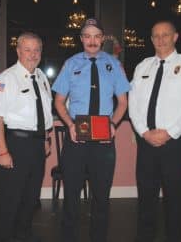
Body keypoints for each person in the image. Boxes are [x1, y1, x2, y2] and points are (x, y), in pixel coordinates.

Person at [52, 18, 130, 242]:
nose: (92, 41)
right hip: (76, 139)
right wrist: (70, 125)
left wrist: (113, 124)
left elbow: (123, 102)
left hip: (104, 140)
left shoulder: (114, 65)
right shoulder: (71, 64)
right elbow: (58, 101)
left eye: (97, 36)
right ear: (81, 39)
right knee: (72, 197)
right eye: (87, 36)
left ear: (103, 38)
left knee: (102, 197)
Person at [128, 20, 181, 242]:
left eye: (165, 34)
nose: (160, 39)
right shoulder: (142, 67)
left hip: (176, 144)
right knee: (146, 198)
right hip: (146, 143)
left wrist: (170, 132)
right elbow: (133, 104)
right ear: (151, 39)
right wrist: (144, 132)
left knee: (175, 199)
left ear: (175, 37)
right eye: (156, 35)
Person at [0, 32, 53, 242]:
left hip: (37, 146)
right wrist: (3, 150)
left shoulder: (42, 77)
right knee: (10, 199)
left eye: (36, 49)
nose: (32, 54)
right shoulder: (6, 79)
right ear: (18, 51)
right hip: (15, 145)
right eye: (27, 49)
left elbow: (43, 113)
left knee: (30, 197)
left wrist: (45, 138)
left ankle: (23, 235)